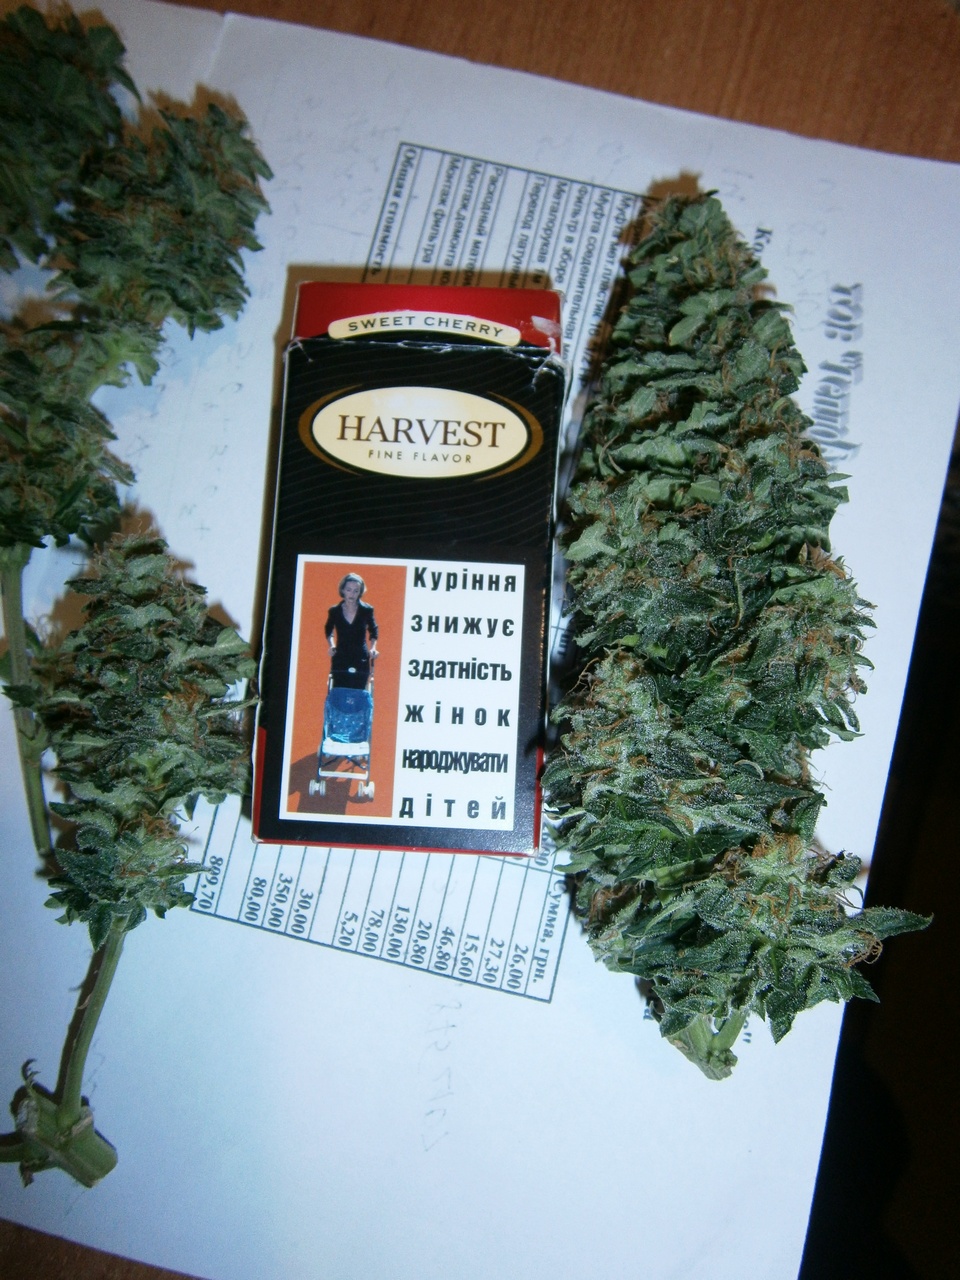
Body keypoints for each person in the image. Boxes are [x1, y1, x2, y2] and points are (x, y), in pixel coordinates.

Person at [324, 573, 378, 689]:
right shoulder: (334, 611)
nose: (352, 594)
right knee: (339, 691)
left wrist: (373, 648)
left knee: (359, 692)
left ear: (360, 592)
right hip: (341, 656)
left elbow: (373, 630)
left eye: (356, 591)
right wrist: (331, 645)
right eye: (349, 590)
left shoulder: (366, 610)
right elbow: (329, 629)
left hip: (360, 657)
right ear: (343, 590)